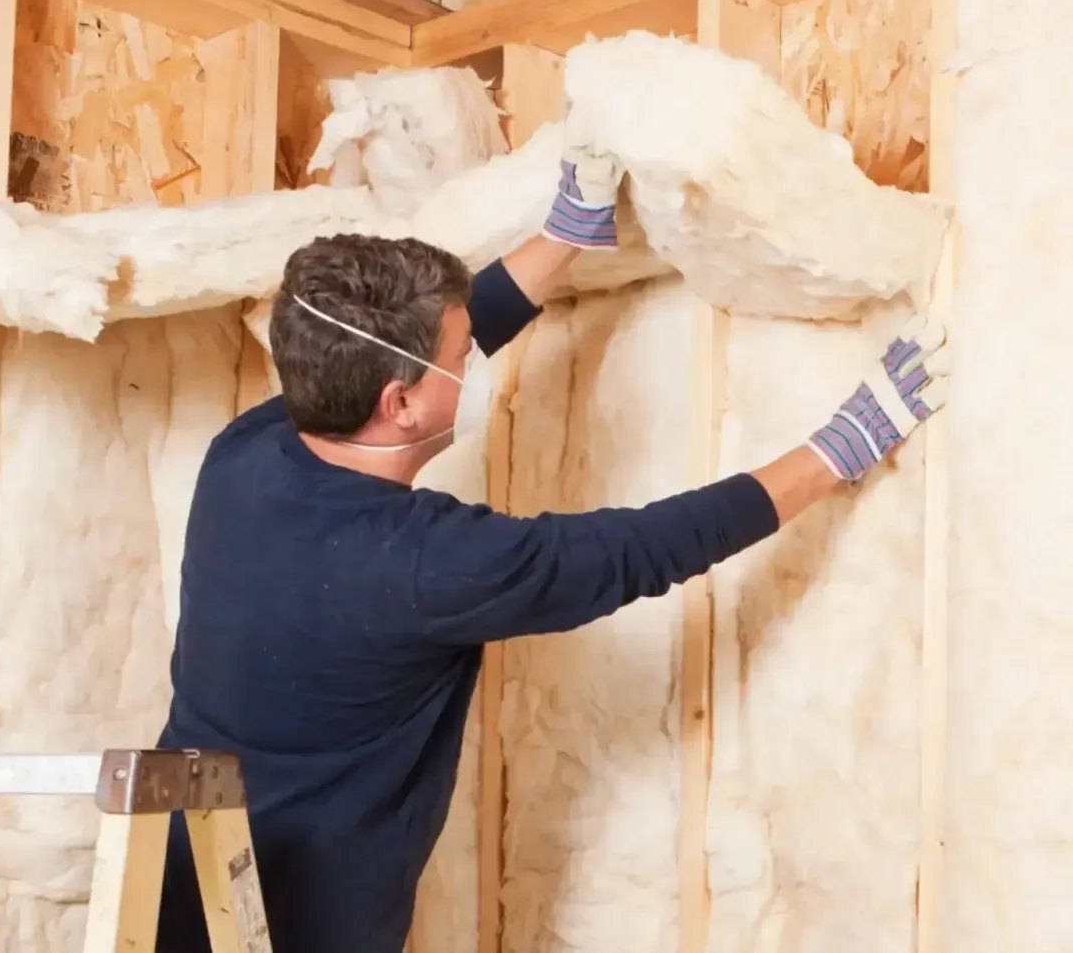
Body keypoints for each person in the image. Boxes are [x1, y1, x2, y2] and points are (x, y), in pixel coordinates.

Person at [153, 131, 949, 953]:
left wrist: (567, 234)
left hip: (173, 881)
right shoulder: (426, 565)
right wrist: (838, 450)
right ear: (398, 404)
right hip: (289, 930)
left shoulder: (249, 450)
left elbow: (423, 348)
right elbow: (642, 548)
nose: (470, 359)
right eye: (459, 357)